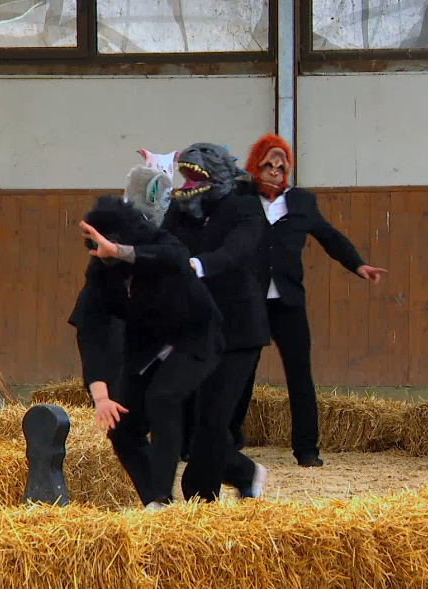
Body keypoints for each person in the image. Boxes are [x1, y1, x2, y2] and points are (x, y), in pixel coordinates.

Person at [230, 133, 388, 468]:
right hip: (249, 301)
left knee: (300, 374)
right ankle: (228, 439)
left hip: (288, 302)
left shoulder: (301, 203)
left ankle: (306, 448)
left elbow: (330, 237)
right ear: (255, 165)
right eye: (268, 164)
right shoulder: (238, 200)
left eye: (281, 164)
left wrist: (358, 264)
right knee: (241, 373)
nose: (275, 170)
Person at [74, 194, 223, 510]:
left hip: (195, 336)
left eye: (108, 244)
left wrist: (120, 252)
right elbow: (92, 331)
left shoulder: (154, 241)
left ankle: (158, 496)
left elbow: (175, 258)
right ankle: (157, 504)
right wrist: (101, 397)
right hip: (147, 346)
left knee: (163, 397)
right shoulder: (99, 274)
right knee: (121, 425)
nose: (103, 252)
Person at [162, 142, 269, 502]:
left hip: (238, 333)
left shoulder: (245, 207)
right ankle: (243, 472)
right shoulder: (180, 209)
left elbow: (238, 250)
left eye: (199, 172)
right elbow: (160, 242)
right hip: (195, 330)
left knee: (212, 419)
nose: (188, 181)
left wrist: (197, 265)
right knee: (190, 420)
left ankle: (199, 498)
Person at [68, 164, 174, 409]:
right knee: (113, 378)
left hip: (128, 314)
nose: (168, 206)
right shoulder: (121, 225)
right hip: (106, 312)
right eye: (164, 198)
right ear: (150, 196)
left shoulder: (155, 228)